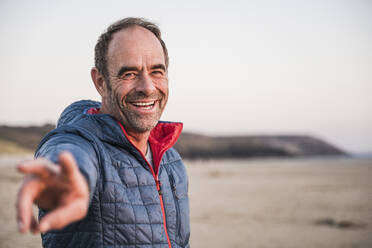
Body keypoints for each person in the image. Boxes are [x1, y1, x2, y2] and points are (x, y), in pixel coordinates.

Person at [16, 17, 190, 248]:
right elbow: (69, 156)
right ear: (100, 81)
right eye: (129, 74)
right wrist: (64, 182)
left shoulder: (171, 160)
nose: (147, 87)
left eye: (157, 71)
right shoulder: (82, 143)